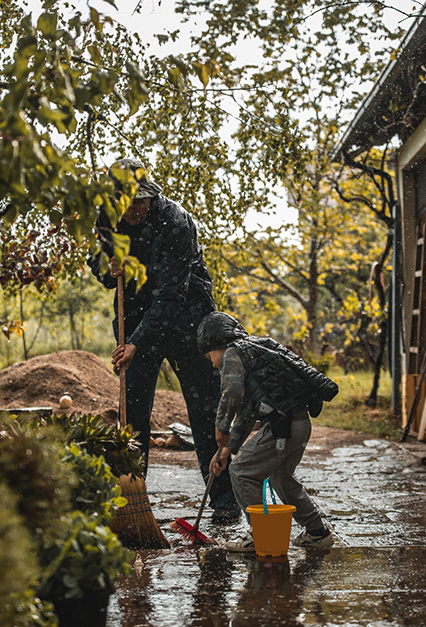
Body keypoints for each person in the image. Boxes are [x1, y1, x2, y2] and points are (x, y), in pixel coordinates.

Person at [88, 158, 238, 520]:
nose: (133, 209)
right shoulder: (107, 217)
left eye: (140, 201)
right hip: (135, 315)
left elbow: (171, 295)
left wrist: (136, 343)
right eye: (126, 202)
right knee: (132, 415)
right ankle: (130, 499)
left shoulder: (175, 221)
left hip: (187, 316)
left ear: (150, 196)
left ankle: (222, 500)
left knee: (204, 410)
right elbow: (99, 265)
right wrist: (107, 267)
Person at [199, 312, 339, 551]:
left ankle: (260, 534)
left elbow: (231, 394)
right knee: (281, 478)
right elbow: (245, 414)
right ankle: (318, 532)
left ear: (217, 344)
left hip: (281, 428)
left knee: (242, 471)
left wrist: (220, 428)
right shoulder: (253, 352)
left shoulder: (232, 352)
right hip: (299, 424)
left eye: (210, 356)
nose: (212, 363)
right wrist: (227, 449)